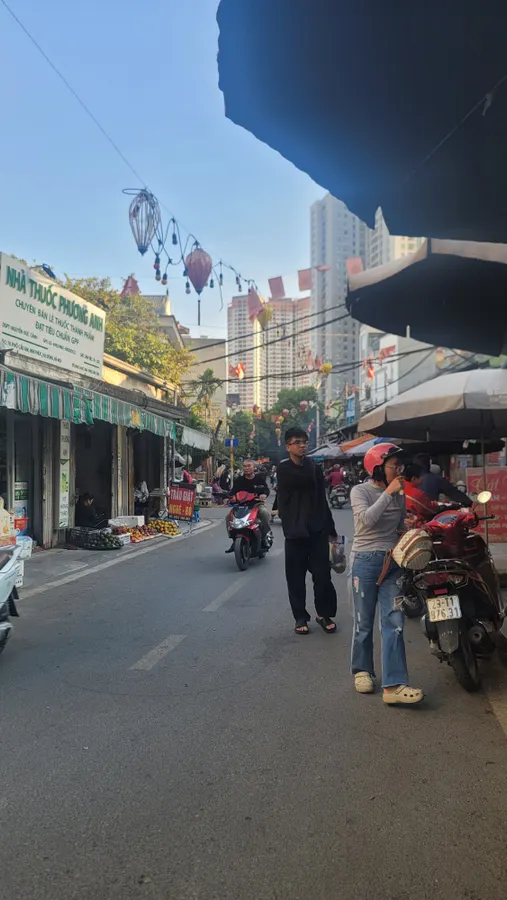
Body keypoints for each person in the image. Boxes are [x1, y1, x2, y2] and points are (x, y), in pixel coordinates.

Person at [350, 443, 423, 705]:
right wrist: (388, 493)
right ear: (378, 468)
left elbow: (398, 523)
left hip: (393, 562)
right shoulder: (359, 491)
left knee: (395, 621)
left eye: (400, 466)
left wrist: (409, 525)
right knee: (364, 621)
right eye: (394, 466)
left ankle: (394, 685)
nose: (399, 470)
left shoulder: (399, 493)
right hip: (365, 562)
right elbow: (366, 521)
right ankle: (362, 670)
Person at [277, 427, 338, 635]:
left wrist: (331, 528)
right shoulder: (284, 469)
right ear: (288, 447)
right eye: (297, 442)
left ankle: (324, 614)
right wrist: (287, 525)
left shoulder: (314, 467)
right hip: (295, 533)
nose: (302, 445)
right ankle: (300, 617)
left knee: (323, 575)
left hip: (317, 530)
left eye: (304, 442)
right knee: (296, 578)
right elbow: (298, 480)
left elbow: (322, 498)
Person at [225, 459, 271, 552]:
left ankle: (265, 536)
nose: (246, 468)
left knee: (264, 513)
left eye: (249, 466)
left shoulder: (259, 478)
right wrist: (227, 498)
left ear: (254, 467)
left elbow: (266, 489)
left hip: (256, 504)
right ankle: (234, 540)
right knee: (228, 517)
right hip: (241, 505)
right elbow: (233, 491)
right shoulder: (239, 480)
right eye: (245, 466)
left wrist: (264, 494)